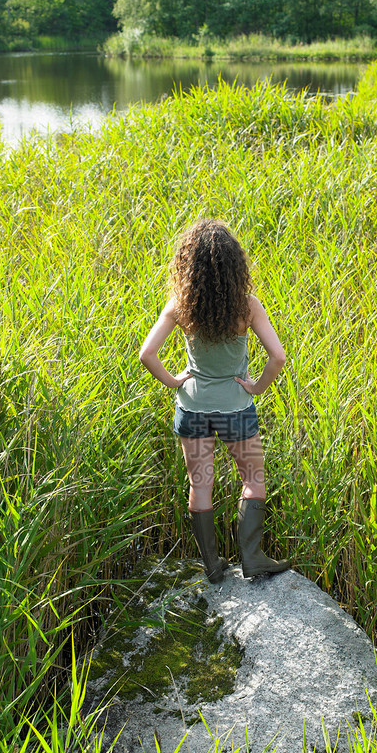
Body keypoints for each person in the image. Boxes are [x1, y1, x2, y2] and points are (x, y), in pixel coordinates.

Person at [139, 219, 290, 582]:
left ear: (187, 266)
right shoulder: (247, 306)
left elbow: (147, 354)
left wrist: (175, 381)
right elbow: (278, 358)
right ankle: (252, 558)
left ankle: (213, 567)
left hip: (192, 410)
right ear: (235, 264)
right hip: (235, 409)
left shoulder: (180, 305)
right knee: (253, 480)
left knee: (200, 484)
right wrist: (256, 388)